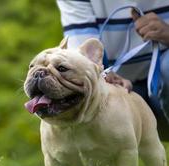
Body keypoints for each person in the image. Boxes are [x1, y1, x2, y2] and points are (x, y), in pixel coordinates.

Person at [56, 0, 169, 140]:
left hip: (164, 83)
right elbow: (84, 60)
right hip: (118, 90)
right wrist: (103, 77)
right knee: (85, 86)